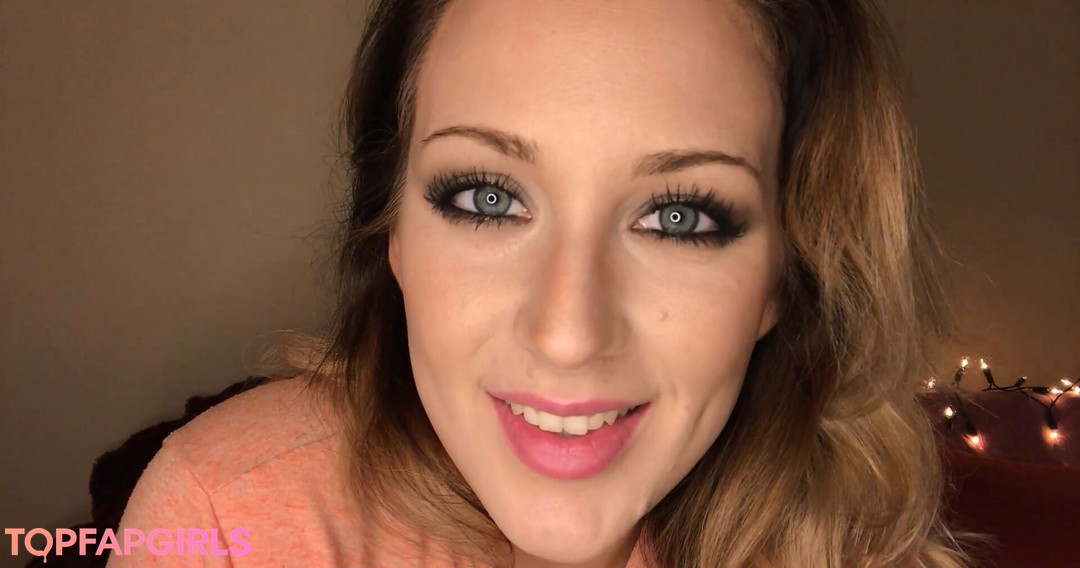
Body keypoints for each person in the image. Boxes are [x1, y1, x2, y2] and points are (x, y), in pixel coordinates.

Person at [112, 0, 974, 566]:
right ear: (393, 235)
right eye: (487, 198)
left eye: (678, 217)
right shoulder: (229, 520)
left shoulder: (862, 547)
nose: (567, 334)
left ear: (783, 278)